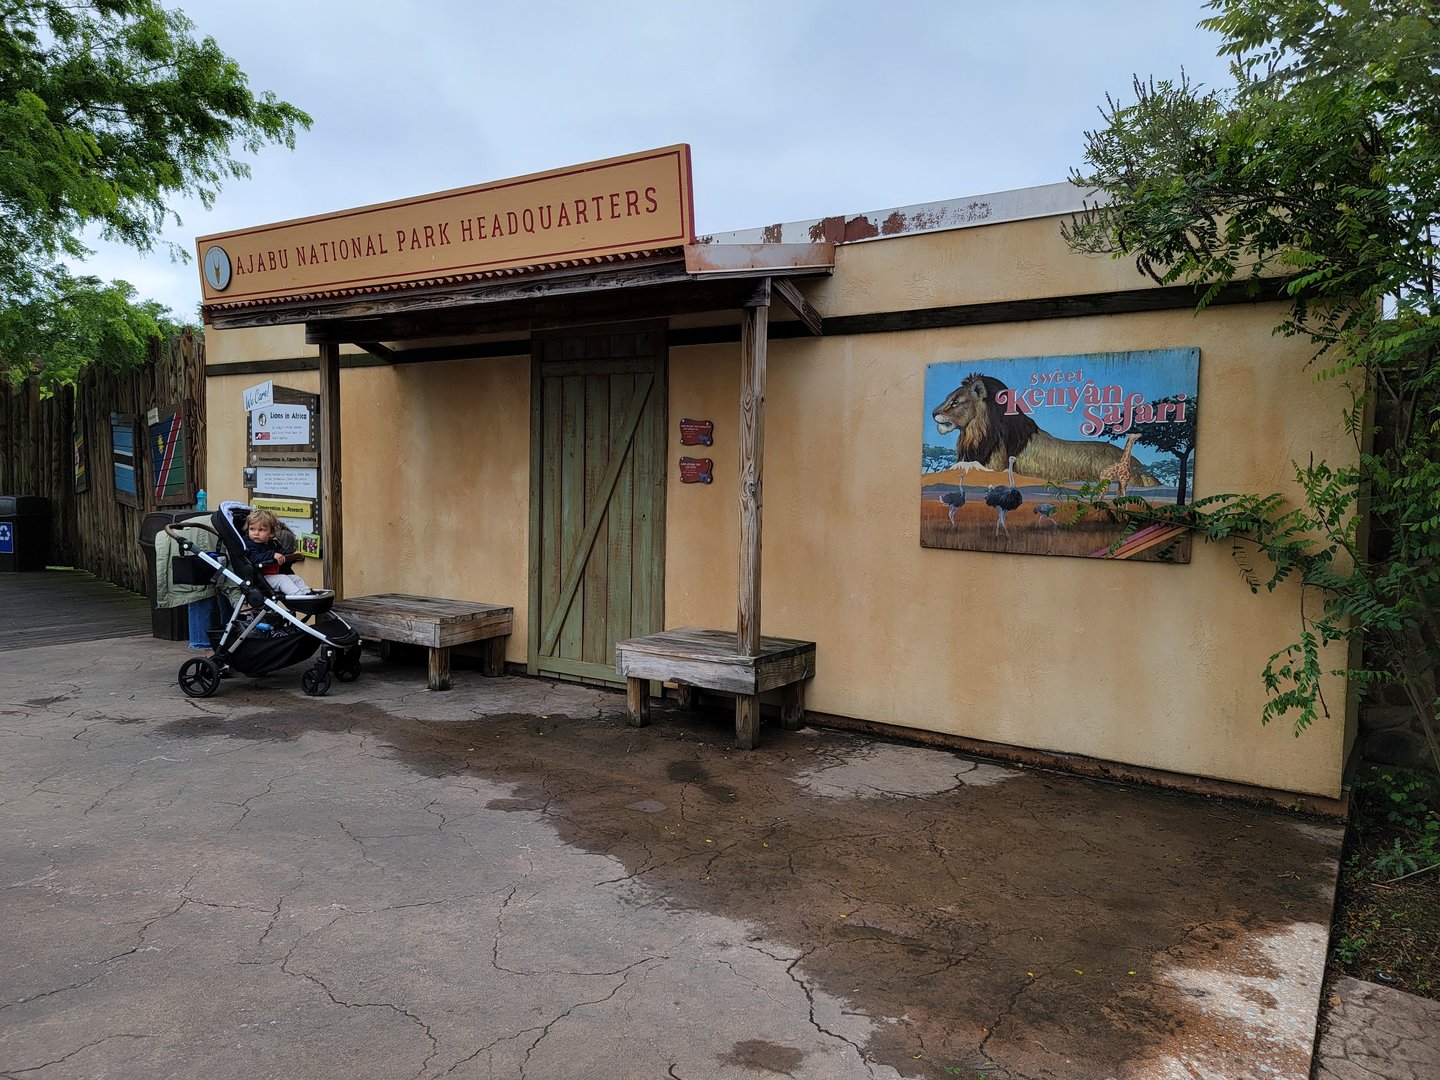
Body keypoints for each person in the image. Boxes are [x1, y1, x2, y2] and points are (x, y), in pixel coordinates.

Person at [242, 509, 312, 596]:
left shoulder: (271, 543)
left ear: (271, 532)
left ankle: (308, 594)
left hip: (272, 576)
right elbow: (254, 558)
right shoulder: (248, 544)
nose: (256, 533)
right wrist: (272, 554)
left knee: (296, 578)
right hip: (260, 579)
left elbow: (281, 552)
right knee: (283, 579)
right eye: (252, 529)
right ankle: (299, 597)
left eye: (261, 530)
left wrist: (293, 552)